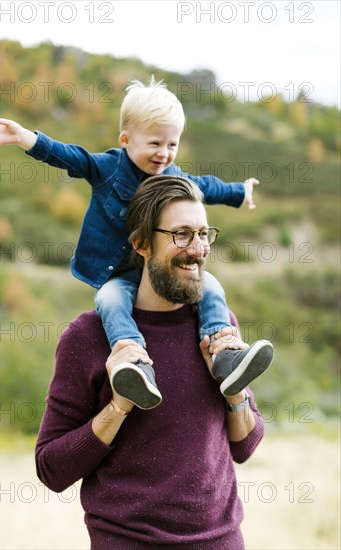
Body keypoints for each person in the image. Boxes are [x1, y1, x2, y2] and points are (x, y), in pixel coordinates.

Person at [0, 77, 272, 410]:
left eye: (171, 145)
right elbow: (70, 157)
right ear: (126, 140)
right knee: (109, 300)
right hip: (117, 272)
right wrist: (27, 139)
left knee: (211, 286)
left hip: (156, 270)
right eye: (155, 143)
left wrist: (239, 192)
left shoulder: (173, 178)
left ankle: (224, 353)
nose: (164, 153)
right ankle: (135, 365)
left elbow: (205, 186)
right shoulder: (107, 169)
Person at [35, 174, 270, 549]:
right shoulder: (88, 338)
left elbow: (245, 446)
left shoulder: (217, 326)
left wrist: (234, 394)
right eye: (181, 234)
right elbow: (52, 469)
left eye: (204, 233)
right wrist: (119, 405)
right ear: (141, 244)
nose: (197, 248)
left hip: (221, 541)